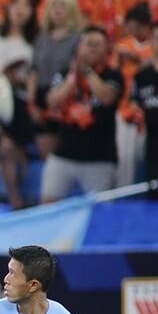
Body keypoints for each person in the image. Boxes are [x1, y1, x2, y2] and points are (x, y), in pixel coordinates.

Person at [40, 27, 123, 201]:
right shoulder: (65, 73)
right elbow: (52, 101)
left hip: (99, 159)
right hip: (63, 154)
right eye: (88, 44)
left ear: (107, 49)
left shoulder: (113, 75)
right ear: (79, 47)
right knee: (48, 203)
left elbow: (106, 98)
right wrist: (72, 77)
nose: (92, 48)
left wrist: (87, 71)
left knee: (101, 211)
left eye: (97, 44)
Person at [125, 20, 158, 195]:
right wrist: (135, 112)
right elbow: (133, 103)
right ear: (151, 42)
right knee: (155, 198)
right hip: (153, 148)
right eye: (157, 38)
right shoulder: (141, 76)